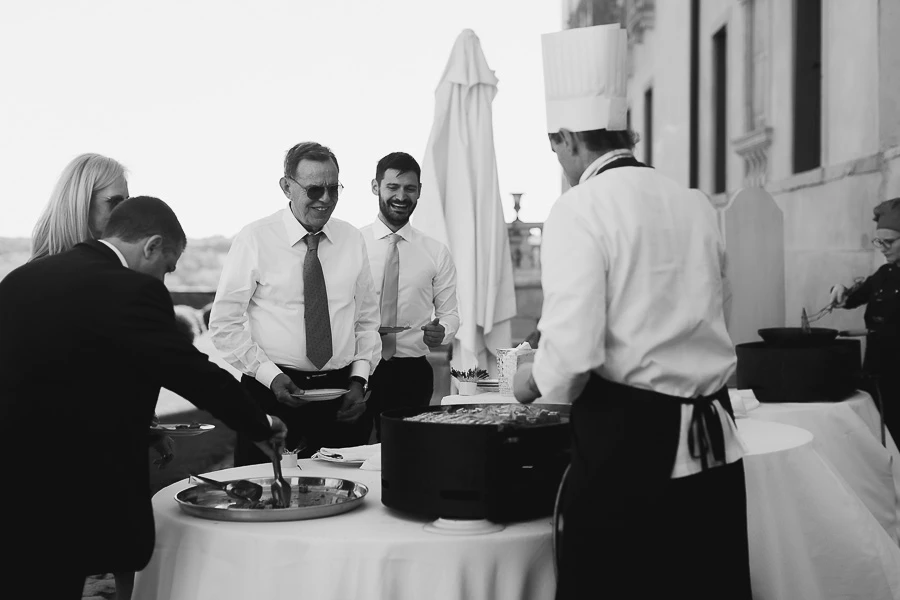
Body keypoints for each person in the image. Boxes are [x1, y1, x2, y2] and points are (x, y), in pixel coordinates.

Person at [513, 24, 752, 600]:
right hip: (714, 443)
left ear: (568, 138)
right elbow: (722, 307)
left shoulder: (579, 208)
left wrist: (529, 380)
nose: (558, 160)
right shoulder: (695, 203)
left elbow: (573, 353)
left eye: (555, 147)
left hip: (631, 447)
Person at [0, 196, 288, 600]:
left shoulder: (21, 279)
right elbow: (191, 372)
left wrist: (141, 426)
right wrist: (258, 424)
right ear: (152, 246)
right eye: (167, 267)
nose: (164, 281)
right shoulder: (132, 290)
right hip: (69, 491)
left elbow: (64, 377)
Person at [29, 153, 166, 600]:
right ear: (80, 202)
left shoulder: (125, 274)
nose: (126, 213)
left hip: (115, 439)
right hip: (58, 445)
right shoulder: (45, 274)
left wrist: (144, 423)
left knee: (125, 544)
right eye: (114, 202)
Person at [209, 141, 381, 465]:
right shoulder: (255, 238)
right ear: (286, 187)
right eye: (314, 190)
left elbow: (367, 320)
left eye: (333, 188)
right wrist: (269, 375)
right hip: (271, 393)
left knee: (345, 489)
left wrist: (359, 379)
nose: (326, 199)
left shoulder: (352, 239)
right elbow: (223, 324)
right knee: (264, 487)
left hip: (340, 396)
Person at [360, 152, 460, 440]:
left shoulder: (436, 251)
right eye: (393, 187)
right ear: (375, 187)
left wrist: (443, 332)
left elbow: (450, 314)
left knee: (406, 453)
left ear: (419, 191)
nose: (401, 196)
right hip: (358, 367)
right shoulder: (353, 244)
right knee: (350, 450)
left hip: (412, 373)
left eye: (410, 188)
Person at [829, 197, 900, 441]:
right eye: (879, 241)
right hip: (875, 371)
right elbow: (852, 298)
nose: (883, 248)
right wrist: (840, 290)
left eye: (890, 241)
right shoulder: (884, 274)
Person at [31, 152, 130, 260]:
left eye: (127, 202)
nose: (125, 212)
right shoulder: (43, 268)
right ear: (83, 204)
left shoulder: (122, 262)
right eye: (115, 202)